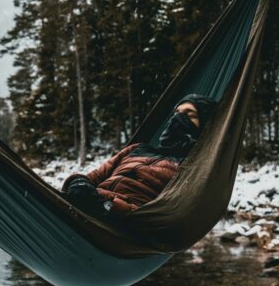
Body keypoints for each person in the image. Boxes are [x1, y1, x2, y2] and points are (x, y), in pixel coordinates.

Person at [62, 93, 218, 224]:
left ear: (204, 124)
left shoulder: (194, 167)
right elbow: (93, 178)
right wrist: (78, 183)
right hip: (89, 205)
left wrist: (111, 207)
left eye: (188, 114)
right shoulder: (138, 149)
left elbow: (168, 216)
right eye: (176, 113)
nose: (177, 119)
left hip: (120, 223)